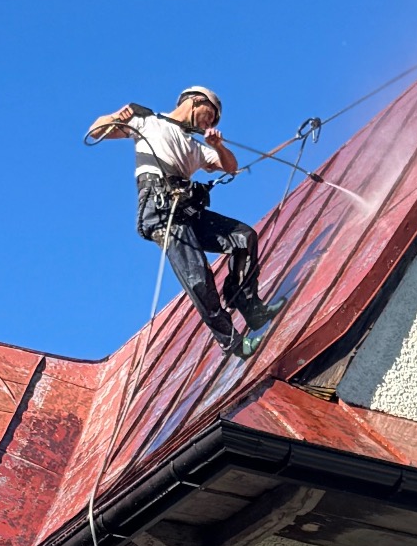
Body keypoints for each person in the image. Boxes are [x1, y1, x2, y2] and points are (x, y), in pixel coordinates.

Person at [87, 86, 276, 357]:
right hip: (161, 209)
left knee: (243, 237)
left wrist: (218, 147)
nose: (209, 123)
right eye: (209, 115)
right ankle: (232, 341)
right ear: (195, 102)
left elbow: (231, 166)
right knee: (197, 276)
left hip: (185, 209)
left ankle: (249, 305)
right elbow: (96, 131)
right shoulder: (147, 121)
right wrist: (118, 115)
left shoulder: (195, 146)